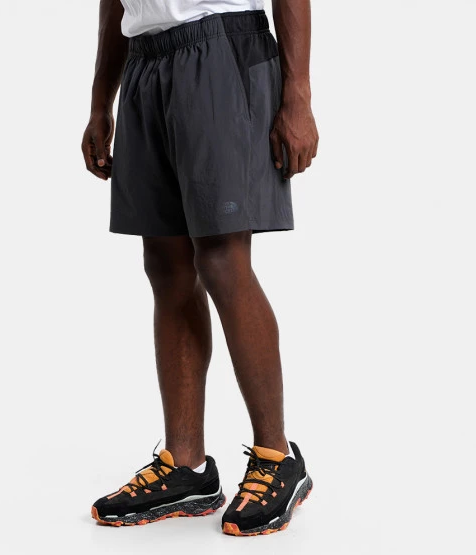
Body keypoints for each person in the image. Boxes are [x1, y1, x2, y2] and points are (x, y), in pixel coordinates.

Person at [82, 0, 318, 536]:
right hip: (144, 59)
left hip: (220, 49)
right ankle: (185, 466)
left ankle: (277, 457)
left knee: (221, 258)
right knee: (165, 265)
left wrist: (298, 95)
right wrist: (100, 101)